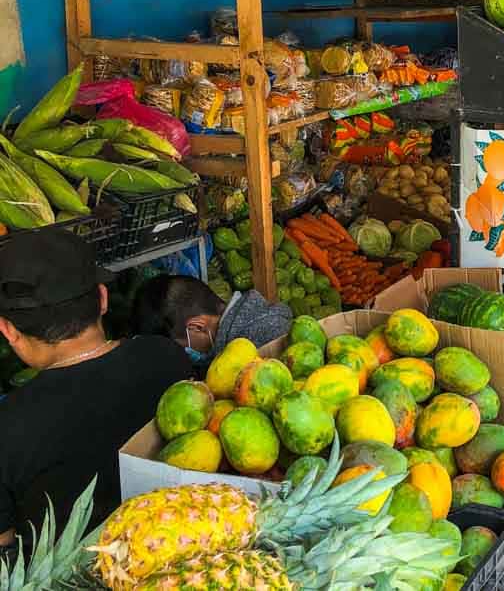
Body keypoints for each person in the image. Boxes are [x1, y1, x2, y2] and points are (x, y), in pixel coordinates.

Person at [0, 231, 192, 554]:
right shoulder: (166, 357)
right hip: (179, 553)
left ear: (8, 331)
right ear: (102, 299)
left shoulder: (7, 427)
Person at [131, 274, 292, 364]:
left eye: (182, 347)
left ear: (197, 327)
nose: (186, 354)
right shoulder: (261, 315)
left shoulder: (261, 340)